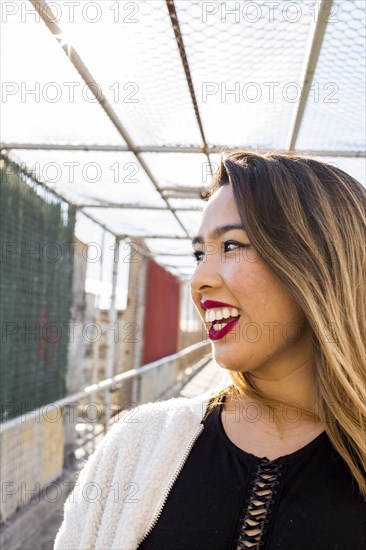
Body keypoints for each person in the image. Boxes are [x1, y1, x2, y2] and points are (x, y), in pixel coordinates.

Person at [54, 151, 366, 550]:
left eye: (232, 246)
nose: (199, 280)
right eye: (200, 254)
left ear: (321, 264)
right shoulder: (139, 444)